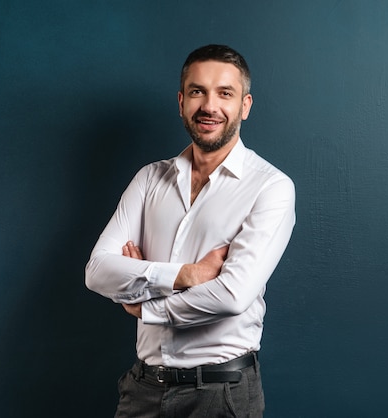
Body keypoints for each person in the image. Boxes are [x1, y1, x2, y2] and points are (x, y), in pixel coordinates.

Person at [85, 44, 296, 417]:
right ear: (182, 101)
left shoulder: (271, 187)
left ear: (245, 105)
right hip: (143, 389)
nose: (209, 106)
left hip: (221, 395)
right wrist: (186, 275)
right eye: (198, 91)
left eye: (224, 93)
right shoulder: (150, 178)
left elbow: (232, 295)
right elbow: (98, 271)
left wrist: (143, 306)